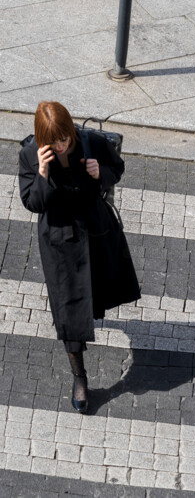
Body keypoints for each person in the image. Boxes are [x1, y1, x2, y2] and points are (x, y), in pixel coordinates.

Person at [18, 101, 140, 413]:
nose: (59, 147)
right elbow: (31, 203)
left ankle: (91, 317)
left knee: (96, 292)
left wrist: (102, 174)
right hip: (60, 241)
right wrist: (43, 174)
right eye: (52, 142)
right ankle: (80, 377)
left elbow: (118, 168)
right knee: (69, 312)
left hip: (96, 231)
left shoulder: (92, 142)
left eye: (64, 140)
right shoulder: (31, 154)